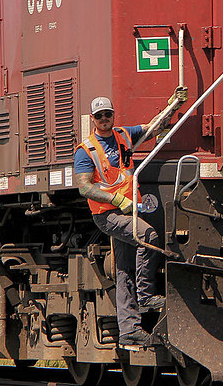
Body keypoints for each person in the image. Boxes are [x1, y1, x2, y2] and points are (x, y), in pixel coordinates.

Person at [74, 87, 187, 349]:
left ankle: (129, 332)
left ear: (113, 115)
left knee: (124, 272)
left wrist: (173, 105)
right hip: (107, 214)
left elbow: (154, 128)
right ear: (93, 119)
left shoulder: (124, 135)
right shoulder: (86, 150)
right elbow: (84, 187)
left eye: (108, 114)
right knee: (147, 235)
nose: (104, 118)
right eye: (99, 115)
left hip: (127, 210)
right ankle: (146, 296)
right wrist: (117, 199)